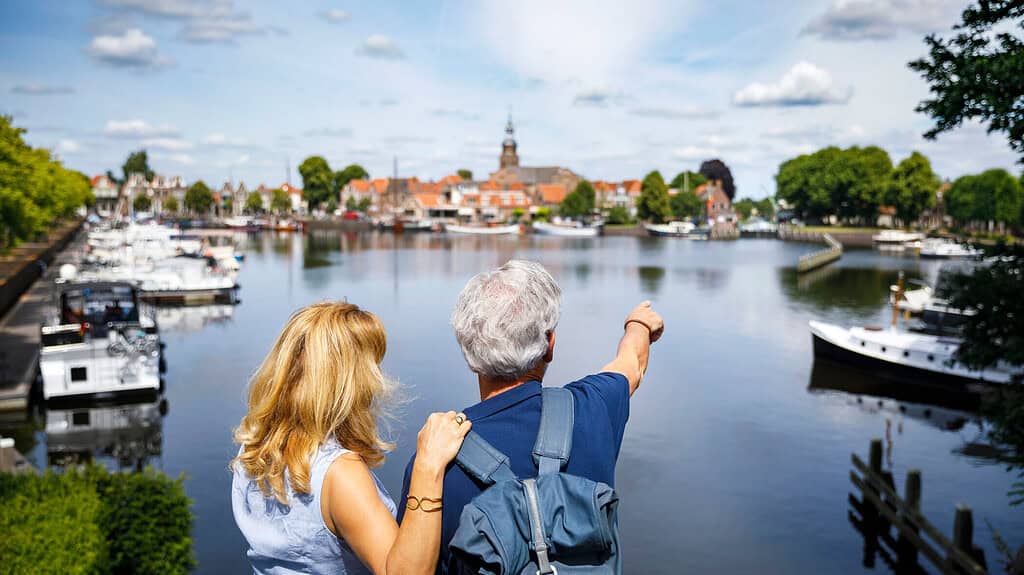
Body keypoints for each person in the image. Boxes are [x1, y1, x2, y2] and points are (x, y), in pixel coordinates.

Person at [398, 259, 664, 570]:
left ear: (469, 354)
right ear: (550, 345)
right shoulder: (594, 407)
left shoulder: (435, 463)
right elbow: (632, 364)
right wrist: (639, 324)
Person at [231, 302, 473, 575]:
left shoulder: (253, 449)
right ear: (351, 381)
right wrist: (428, 467)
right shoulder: (339, 474)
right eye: (372, 365)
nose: (378, 379)